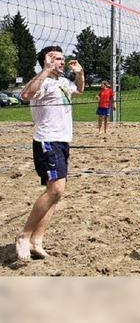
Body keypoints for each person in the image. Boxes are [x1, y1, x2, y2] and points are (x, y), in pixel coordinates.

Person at [15, 46, 84, 261]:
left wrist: (79, 73)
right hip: (47, 141)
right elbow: (25, 95)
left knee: (56, 192)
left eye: (63, 58)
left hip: (62, 141)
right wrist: (45, 70)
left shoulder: (62, 82)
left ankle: (37, 240)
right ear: (46, 60)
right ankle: (24, 236)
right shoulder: (42, 80)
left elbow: (79, 90)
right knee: (55, 189)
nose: (62, 62)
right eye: (57, 59)